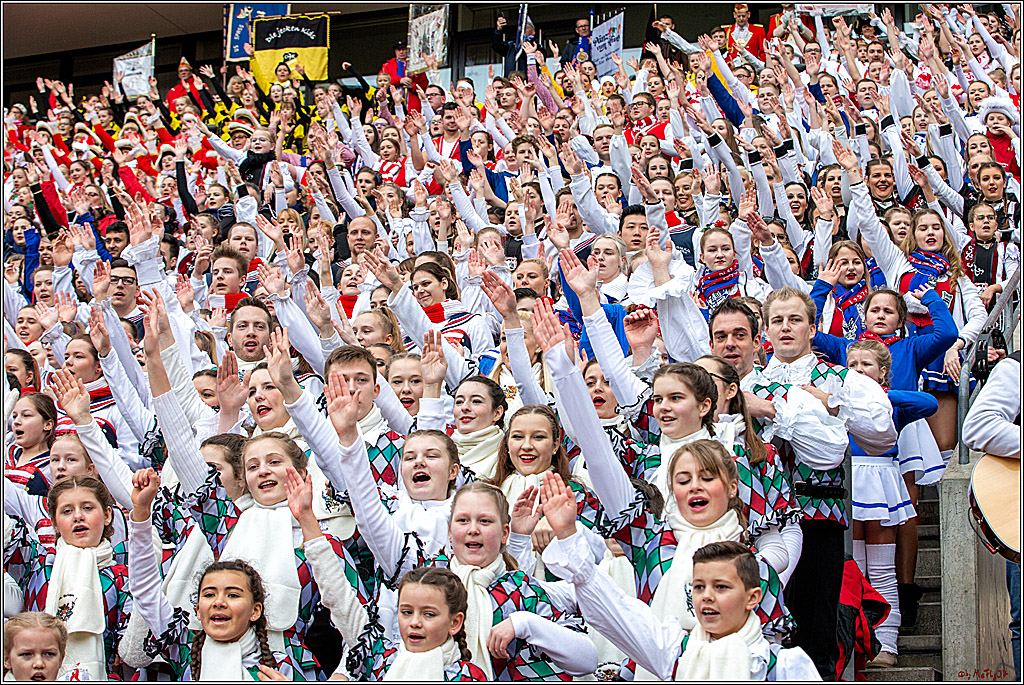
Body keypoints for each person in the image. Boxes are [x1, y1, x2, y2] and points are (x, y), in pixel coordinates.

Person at [540, 471, 820, 680]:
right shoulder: (674, 650)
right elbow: (615, 610)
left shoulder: (781, 666)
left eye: (721, 587)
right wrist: (566, 533)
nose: (707, 597)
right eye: (698, 587)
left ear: (752, 597)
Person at [381, 40, 429, 115]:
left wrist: (412, 86)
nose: (401, 52)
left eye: (403, 49)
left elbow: (424, 86)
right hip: (392, 105)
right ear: (395, 51)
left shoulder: (417, 65)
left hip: (412, 106)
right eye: (399, 50)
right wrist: (399, 80)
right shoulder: (388, 65)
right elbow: (382, 81)